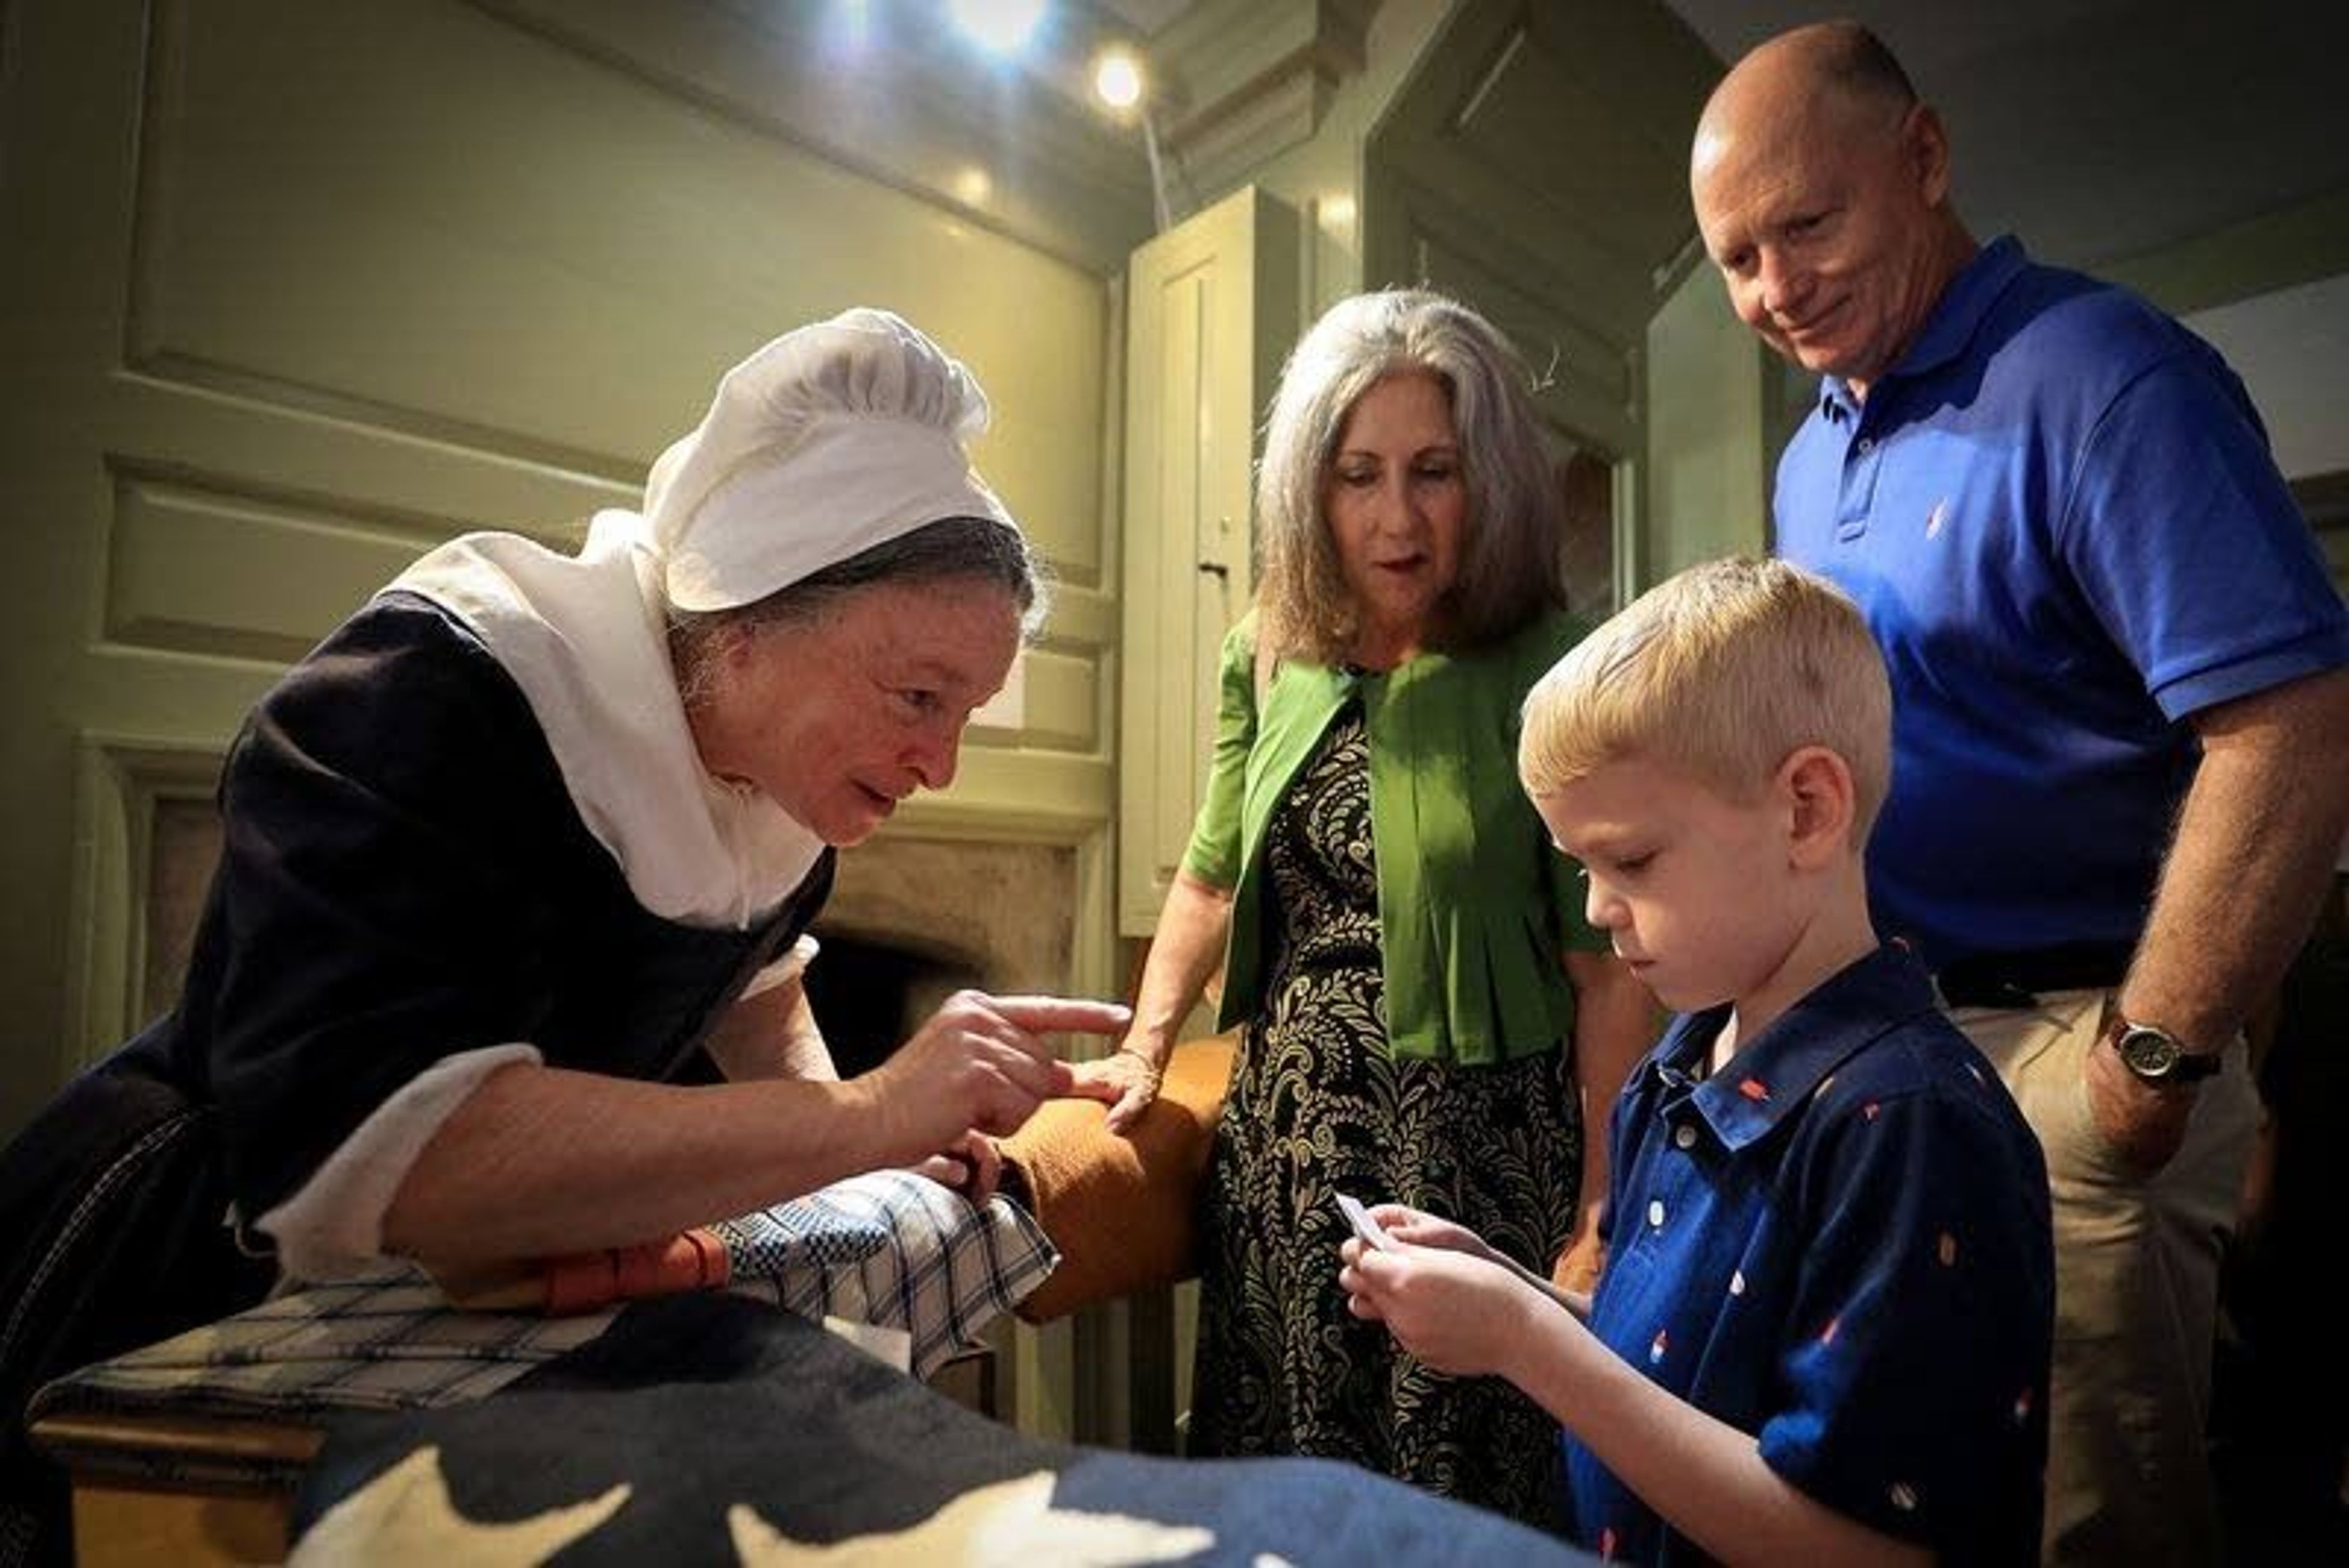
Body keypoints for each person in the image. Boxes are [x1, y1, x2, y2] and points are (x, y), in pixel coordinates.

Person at [0, 308, 1130, 1564]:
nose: (940, 762)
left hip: (476, 1296)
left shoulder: (777, 776)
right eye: (919, 696)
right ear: (746, 617)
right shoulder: (427, 700)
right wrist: (866, 1112)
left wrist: (871, 1150)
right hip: (181, 1280)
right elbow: (393, 1153)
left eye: (966, 712)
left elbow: (747, 984)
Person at [1687, 22, 2349, 1564]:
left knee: (2091, 1523)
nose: (1776, 289)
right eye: (1736, 258)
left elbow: (2296, 724)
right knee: (1900, 1493)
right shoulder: (1806, 456)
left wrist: (2146, 1070)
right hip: (1886, 1056)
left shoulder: (2106, 377)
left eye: (1809, 225)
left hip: (2077, 1046)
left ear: (1922, 161)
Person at [1064, 288, 1657, 1528]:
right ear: (1310, 491)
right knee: (1287, 1482)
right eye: (1358, 475)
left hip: (1484, 1168)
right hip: (1284, 1165)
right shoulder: (1268, 649)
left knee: (1459, 1502)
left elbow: (1606, 972)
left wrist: (1598, 1213)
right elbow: (1211, 870)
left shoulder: (1559, 662)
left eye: (1433, 471)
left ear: (1486, 480)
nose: (1396, 517)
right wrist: (1142, 1043)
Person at [1343, 556, 2056, 1565]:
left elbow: (1869, 1545)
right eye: (1580, 867)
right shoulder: (1679, 1067)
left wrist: (1526, 1344)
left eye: (1630, 861)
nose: (1595, 907)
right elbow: (1685, 1359)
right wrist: (1515, 1290)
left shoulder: (1909, 1126)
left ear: (1807, 809)